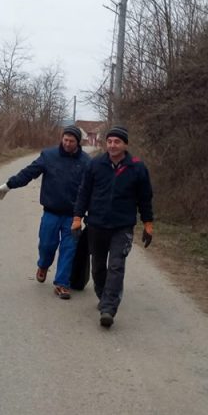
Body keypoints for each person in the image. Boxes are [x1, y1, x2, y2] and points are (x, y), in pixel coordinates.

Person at [0, 125, 90, 298]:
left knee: (69, 249)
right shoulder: (48, 156)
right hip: (51, 212)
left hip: (73, 216)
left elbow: (92, 188)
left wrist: (92, 211)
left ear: (78, 142)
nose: (67, 144)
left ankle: (62, 283)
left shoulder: (86, 162)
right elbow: (28, 173)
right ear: (61, 138)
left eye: (71, 141)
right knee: (46, 246)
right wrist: (8, 185)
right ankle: (43, 265)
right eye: (65, 140)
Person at [72, 126, 154, 328]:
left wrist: (148, 223)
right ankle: (104, 296)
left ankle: (108, 308)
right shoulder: (95, 164)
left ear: (125, 144)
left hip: (122, 226)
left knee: (116, 266)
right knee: (98, 267)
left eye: (117, 142)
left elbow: (145, 198)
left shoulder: (137, 168)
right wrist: (77, 218)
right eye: (109, 141)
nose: (112, 145)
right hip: (96, 225)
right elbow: (84, 192)